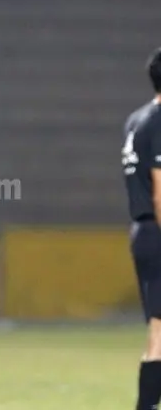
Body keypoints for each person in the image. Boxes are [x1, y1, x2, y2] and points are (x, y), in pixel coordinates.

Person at [121, 47, 161, 410]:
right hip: (157, 232)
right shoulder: (159, 121)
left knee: (159, 332)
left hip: (143, 232)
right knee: (159, 335)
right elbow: (160, 189)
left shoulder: (136, 120)